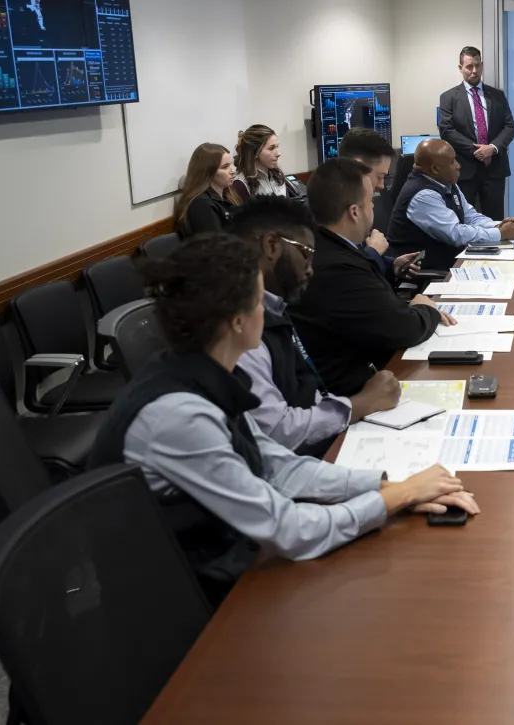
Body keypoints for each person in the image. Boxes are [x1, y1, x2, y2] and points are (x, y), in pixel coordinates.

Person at [87, 233, 478, 603]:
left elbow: (278, 467)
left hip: (219, 562)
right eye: (260, 299)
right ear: (237, 320)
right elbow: (288, 530)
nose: (270, 309)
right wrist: (399, 497)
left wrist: (388, 486)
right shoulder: (179, 416)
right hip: (178, 605)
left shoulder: (201, 373)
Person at [228, 196, 402, 458]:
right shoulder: (236, 324)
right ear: (272, 245)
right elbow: (276, 432)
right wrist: (360, 405)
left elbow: (305, 394)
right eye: (306, 254)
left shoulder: (276, 308)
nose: (310, 269)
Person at [291, 158, 450, 397]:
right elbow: (400, 329)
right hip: (355, 392)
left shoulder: (323, 247)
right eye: (370, 204)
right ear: (355, 212)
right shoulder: (338, 268)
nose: (373, 210)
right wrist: (426, 310)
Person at [387, 138, 514, 269]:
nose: (459, 166)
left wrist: (498, 226)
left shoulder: (445, 181)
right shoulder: (423, 195)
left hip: (451, 260)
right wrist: (500, 234)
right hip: (427, 269)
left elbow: (470, 216)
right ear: (435, 169)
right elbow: (456, 234)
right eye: (452, 162)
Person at [437, 46, 514, 219]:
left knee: (495, 220)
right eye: (469, 66)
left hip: (494, 168)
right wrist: (477, 151)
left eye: (477, 66)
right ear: (460, 68)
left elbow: (510, 126)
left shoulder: (497, 95)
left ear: (482, 65)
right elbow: (446, 130)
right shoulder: (448, 97)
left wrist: (493, 148)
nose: (474, 71)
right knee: (464, 219)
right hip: (464, 169)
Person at [337, 127, 398, 264]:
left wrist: (392, 266)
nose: (381, 185)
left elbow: (361, 254)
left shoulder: (355, 201)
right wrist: (374, 252)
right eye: (379, 176)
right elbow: (350, 275)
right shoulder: (331, 210)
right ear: (358, 167)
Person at [175, 142, 239, 238]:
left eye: (230, 165)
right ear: (208, 172)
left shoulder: (228, 194)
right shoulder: (201, 205)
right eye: (225, 167)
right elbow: (216, 246)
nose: (233, 171)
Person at [232, 124, 303, 201]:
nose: (278, 154)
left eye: (277, 147)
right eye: (271, 148)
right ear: (255, 152)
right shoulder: (241, 184)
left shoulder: (277, 175)